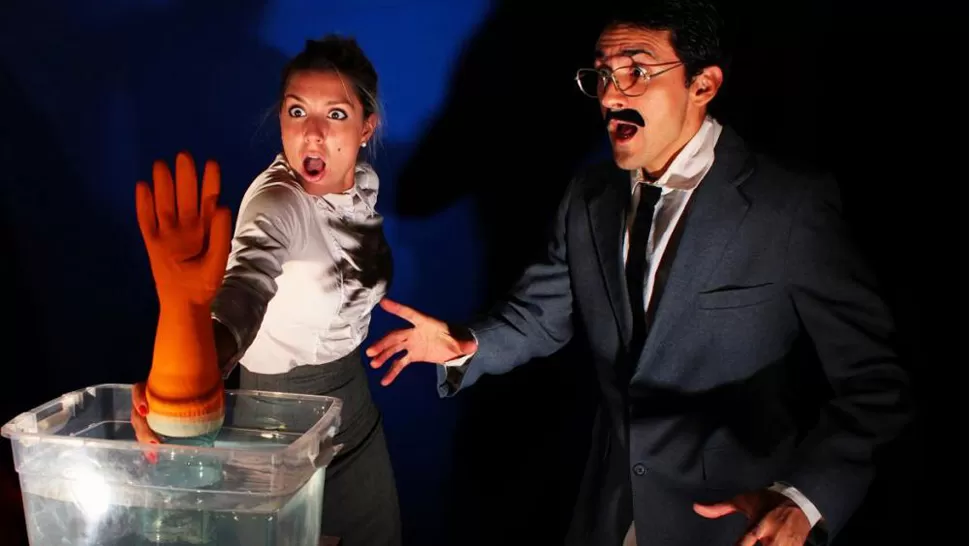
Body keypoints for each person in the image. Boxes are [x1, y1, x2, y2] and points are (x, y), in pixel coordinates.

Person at [365, 1, 912, 545]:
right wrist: (466, 344)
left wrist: (805, 502)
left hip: (734, 525)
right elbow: (542, 314)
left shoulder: (788, 206)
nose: (610, 97)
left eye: (636, 72)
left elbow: (876, 384)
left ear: (703, 84)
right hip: (608, 511)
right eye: (603, 74)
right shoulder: (589, 196)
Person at [131, 35, 401, 546]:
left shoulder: (361, 182)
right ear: (280, 118)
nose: (313, 134)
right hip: (280, 428)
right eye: (297, 112)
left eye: (336, 115)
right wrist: (187, 350)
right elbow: (243, 296)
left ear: (367, 127)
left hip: (356, 417)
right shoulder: (277, 203)